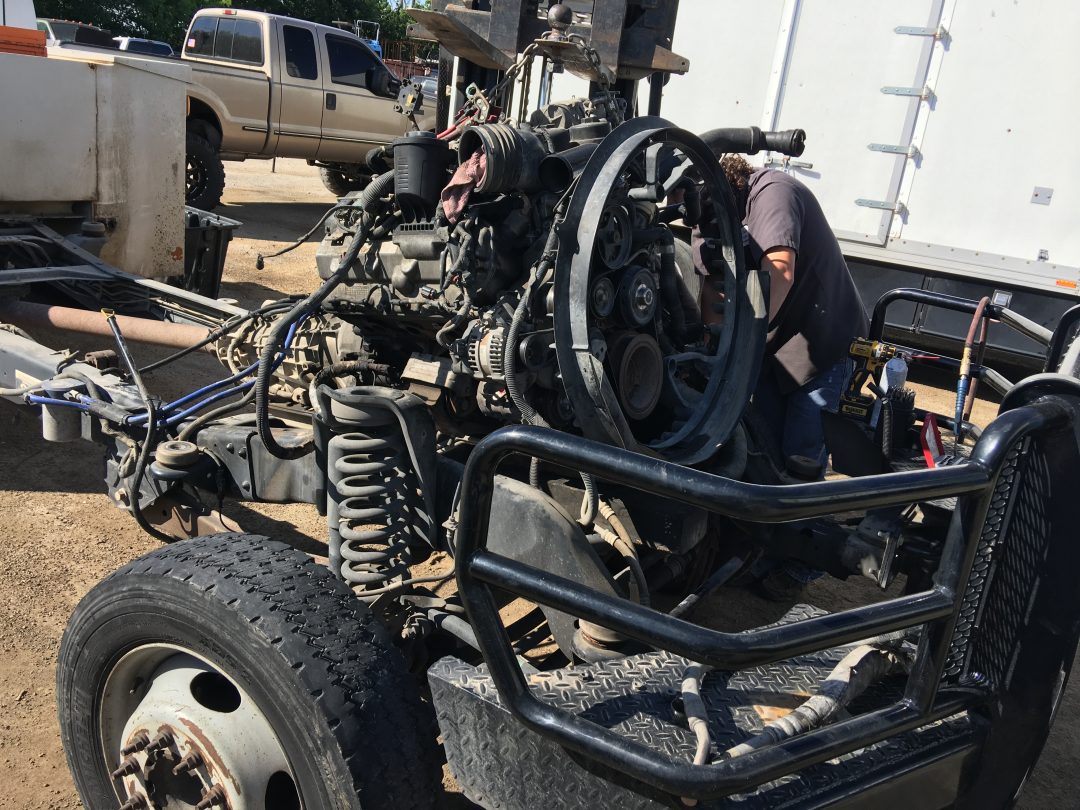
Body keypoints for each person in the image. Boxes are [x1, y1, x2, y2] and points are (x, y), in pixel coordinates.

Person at [718, 156, 868, 598]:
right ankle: (766, 542)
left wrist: (742, 339)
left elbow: (779, 269)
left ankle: (801, 566)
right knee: (765, 447)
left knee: (802, 457)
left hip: (821, 342)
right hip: (778, 344)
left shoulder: (771, 192)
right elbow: (710, 289)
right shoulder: (712, 211)